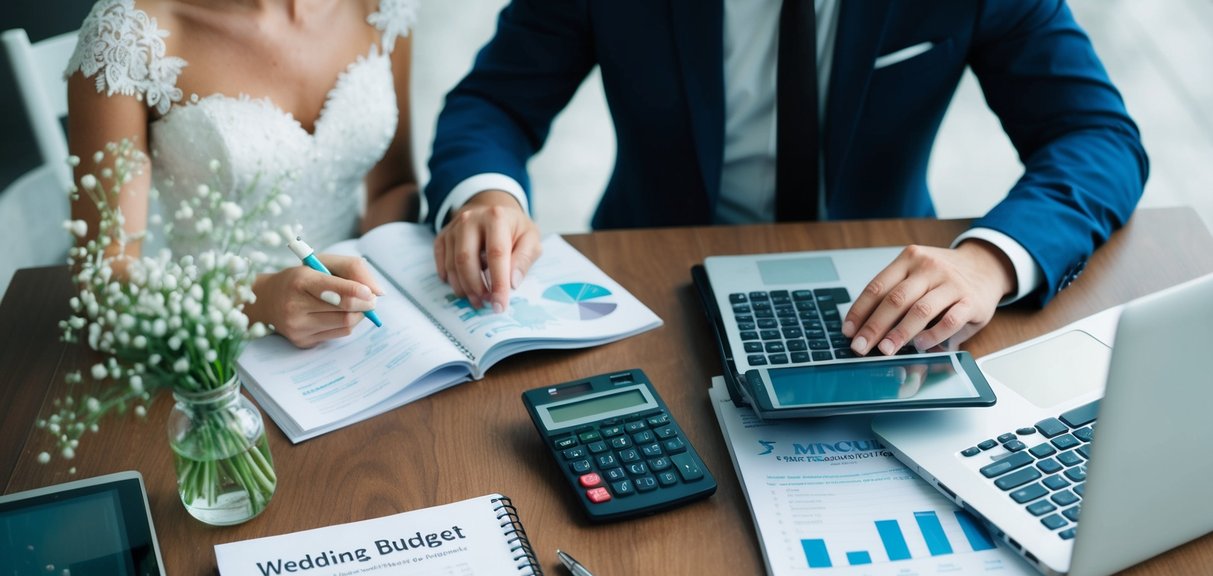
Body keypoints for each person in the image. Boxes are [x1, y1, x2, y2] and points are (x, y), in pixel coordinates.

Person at [426, 0, 1148, 354]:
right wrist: (487, 195)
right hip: (650, 286)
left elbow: (1094, 134)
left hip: (881, 292)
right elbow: (496, 101)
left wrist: (990, 261)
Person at [66, 0, 420, 348]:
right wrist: (258, 301)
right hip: (210, 336)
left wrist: (377, 275)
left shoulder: (382, 6)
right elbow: (103, 277)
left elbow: (393, 186)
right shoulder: (125, 38)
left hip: (362, 328)